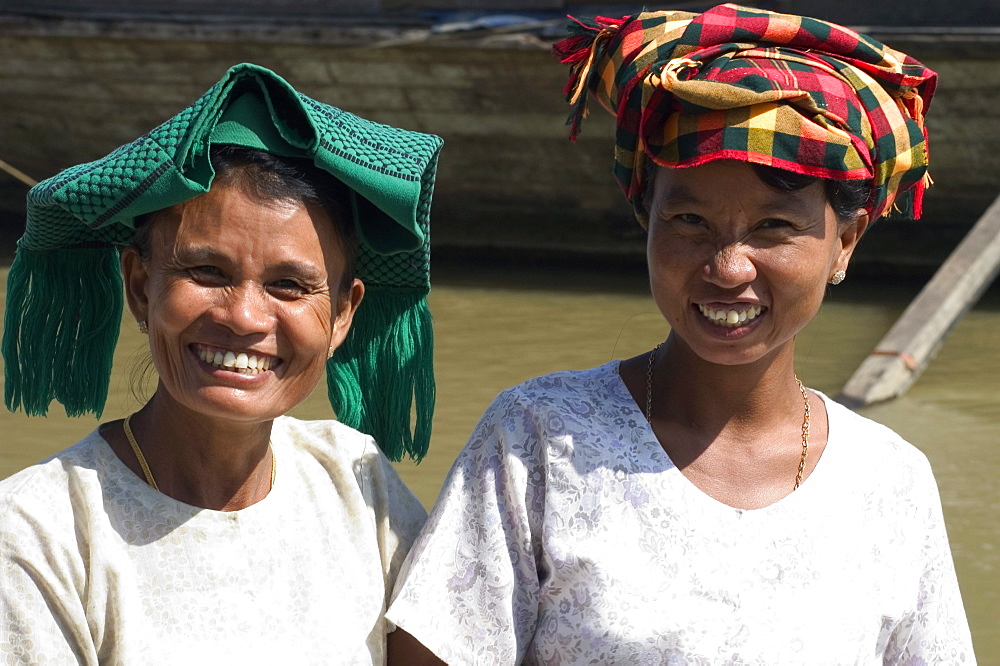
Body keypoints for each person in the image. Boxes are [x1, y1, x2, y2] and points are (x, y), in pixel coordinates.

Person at [385, 5, 976, 664]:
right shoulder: (537, 439)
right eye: (689, 219)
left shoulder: (891, 482)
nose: (728, 267)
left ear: (846, 244)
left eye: (775, 226)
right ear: (647, 221)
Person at [0, 63, 442, 663]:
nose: (245, 318)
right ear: (139, 286)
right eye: (207, 272)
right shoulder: (38, 531)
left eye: (289, 285)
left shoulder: (355, 480)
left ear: (341, 315)